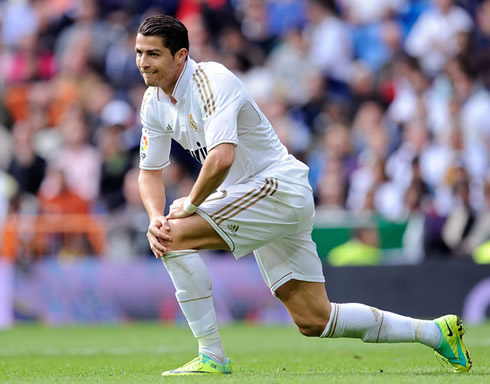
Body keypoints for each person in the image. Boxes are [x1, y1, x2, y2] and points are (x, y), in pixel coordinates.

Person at [135, 15, 472, 376]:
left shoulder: (211, 81)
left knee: (173, 237)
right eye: (139, 53)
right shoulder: (154, 101)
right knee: (315, 319)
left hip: (274, 189)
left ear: (181, 56)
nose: (143, 62)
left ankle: (211, 355)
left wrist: (192, 203)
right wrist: (155, 215)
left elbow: (221, 158)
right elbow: (149, 171)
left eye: (153, 54)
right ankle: (436, 332)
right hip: (260, 200)